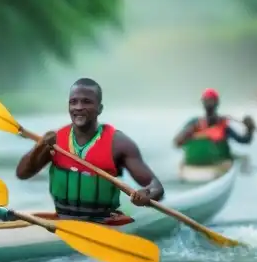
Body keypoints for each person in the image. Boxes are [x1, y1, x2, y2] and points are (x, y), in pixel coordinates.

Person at [14, 78, 164, 224]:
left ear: (100, 109)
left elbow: (156, 185)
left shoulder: (119, 143)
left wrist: (147, 194)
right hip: (63, 219)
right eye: (73, 102)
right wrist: (39, 147)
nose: (78, 107)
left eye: (86, 102)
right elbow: (22, 174)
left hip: (104, 221)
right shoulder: (54, 140)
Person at [173, 88, 255, 168]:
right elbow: (176, 142)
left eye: (211, 101)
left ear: (216, 103)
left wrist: (250, 129)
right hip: (201, 164)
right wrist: (190, 130)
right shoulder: (194, 123)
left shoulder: (222, 124)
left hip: (219, 164)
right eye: (207, 101)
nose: (209, 103)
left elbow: (244, 140)